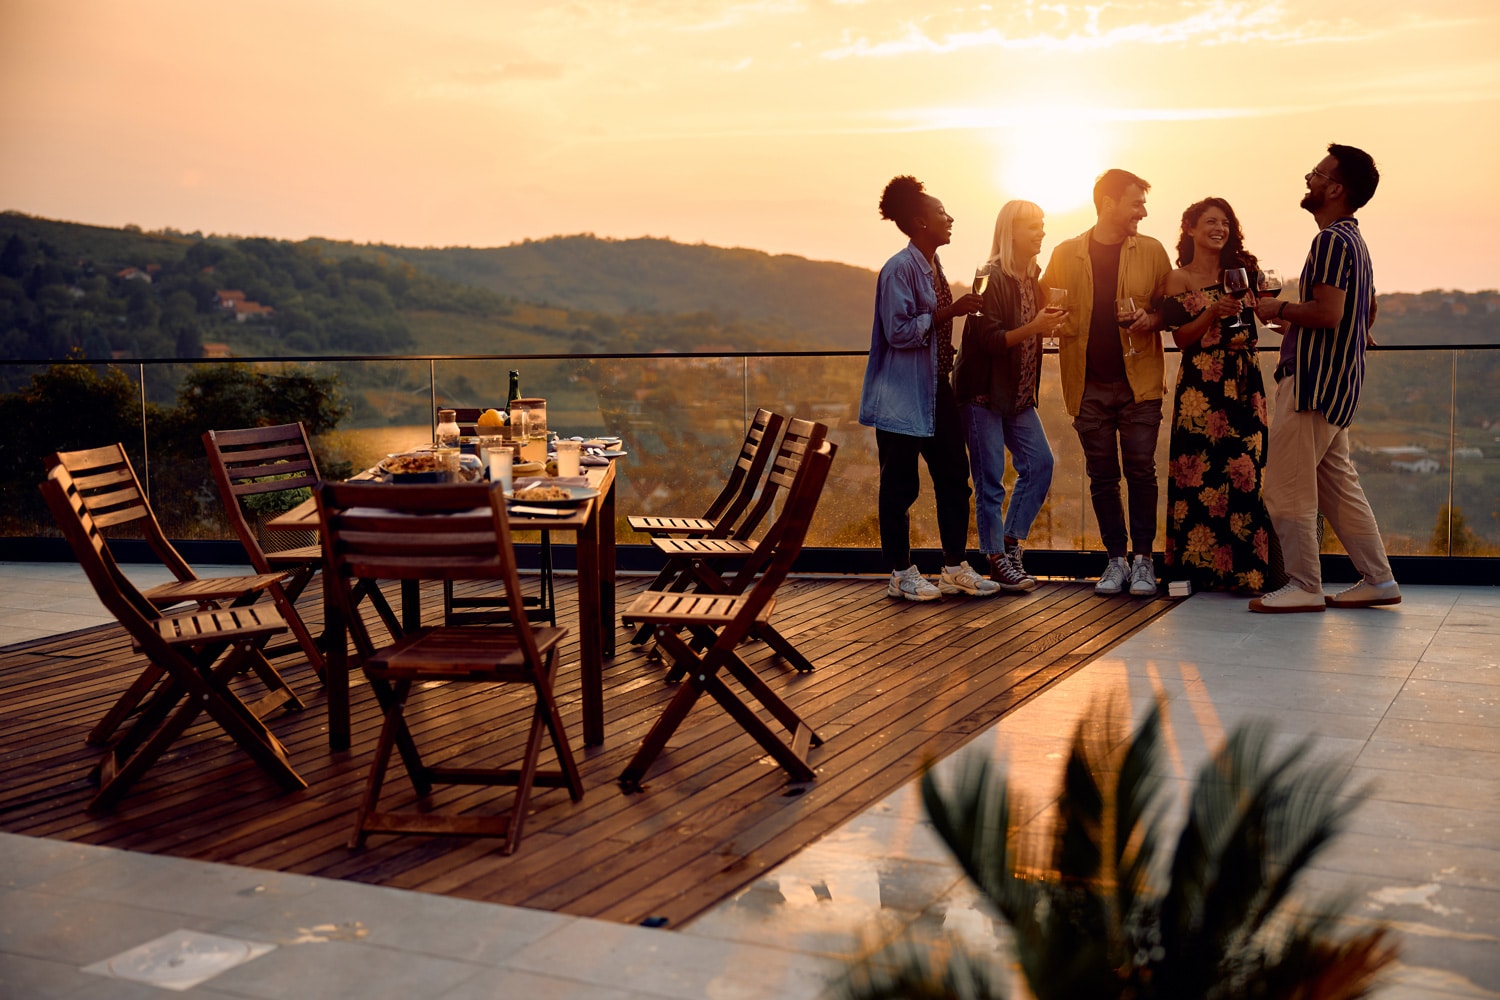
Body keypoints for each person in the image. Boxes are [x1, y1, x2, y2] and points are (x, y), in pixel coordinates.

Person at [1249, 144, 1399, 613]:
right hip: (1340, 385)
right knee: (1339, 491)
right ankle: (1379, 579)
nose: (1308, 178)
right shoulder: (1356, 242)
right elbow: (1362, 311)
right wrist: (1292, 322)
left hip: (1313, 386)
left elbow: (1330, 313)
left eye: (1316, 173)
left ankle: (1303, 585)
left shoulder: (1331, 241)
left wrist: (1279, 308)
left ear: (1335, 188)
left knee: (1285, 489)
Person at [859, 175, 1000, 601]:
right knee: (900, 487)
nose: (950, 218)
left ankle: (954, 567)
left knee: (955, 479)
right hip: (903, 397)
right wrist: (949, 311)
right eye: (941, 213)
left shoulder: (932, 265)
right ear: (920, 222)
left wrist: (958, 312)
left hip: (938, 392)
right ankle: (901, 573)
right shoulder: (899, 268)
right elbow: (899, 332)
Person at [1041, 169, 1173, 597]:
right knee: (1102, 477)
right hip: (1087, 387)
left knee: (1141, 473)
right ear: (1108, 203)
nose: (1144, 211)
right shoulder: (1064, 253)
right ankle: (1115, 560)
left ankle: (1144, 561)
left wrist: (1151, 318)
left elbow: (1169, 309)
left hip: (1140, 385)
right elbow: (1045, 302)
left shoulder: (1153, 252)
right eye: (1136, 202)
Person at [1158, 198, 1285, 594]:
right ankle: (1195, 572)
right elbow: (1180, 339)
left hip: (1245, 380)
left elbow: (1268, 316)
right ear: (1191, 229)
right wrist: (1211, 313)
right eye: (1210, 221)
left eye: (1226, 221)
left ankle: (1248, 573)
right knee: (1196, 474)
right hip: (1201, 383)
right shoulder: (1177, 279)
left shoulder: (1246, 271)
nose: (1220, 227)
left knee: (1245, 472)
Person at [952, 200, 1066, 590]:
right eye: (1033, 226)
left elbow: (1030, 331)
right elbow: (989, 340)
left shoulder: (1034, 278)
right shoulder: (987, 277)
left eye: (1042, 225)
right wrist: (1036, 326)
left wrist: (1048, 327)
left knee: (1040, 463)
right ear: (1011, 231)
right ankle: (995, 558)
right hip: (982, 393)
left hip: (1017, 395)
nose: (1041, 232)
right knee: (990, 481)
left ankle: (1010, 543)